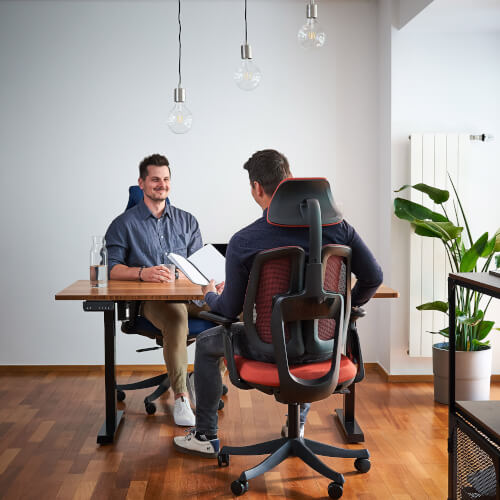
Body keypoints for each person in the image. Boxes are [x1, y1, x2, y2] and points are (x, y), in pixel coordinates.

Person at [173, 149, 383, 457]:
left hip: (269, 347)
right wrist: (344, 313)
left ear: (257, 188)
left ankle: (205, 436)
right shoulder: (339, 228)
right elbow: (374, 277)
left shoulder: (246, 240)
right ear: (289, 179)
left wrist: (209, 294)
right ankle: (298, 425)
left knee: (206, 343)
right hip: (325, 344)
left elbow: (227, 310)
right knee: (306, 331)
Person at [105, 153, 203, 427]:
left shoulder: (187, 221)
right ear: (142, 183)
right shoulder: (123, 224)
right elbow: (112, 269)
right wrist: (142, 273)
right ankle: (181, 397)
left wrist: (186, 274)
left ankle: (205, 382)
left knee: (237, 309)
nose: (162, 185)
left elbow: (199, 266)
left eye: (166, 179)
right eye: (155, 179)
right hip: (153, 301)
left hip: (190, 295)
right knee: (176, 318)